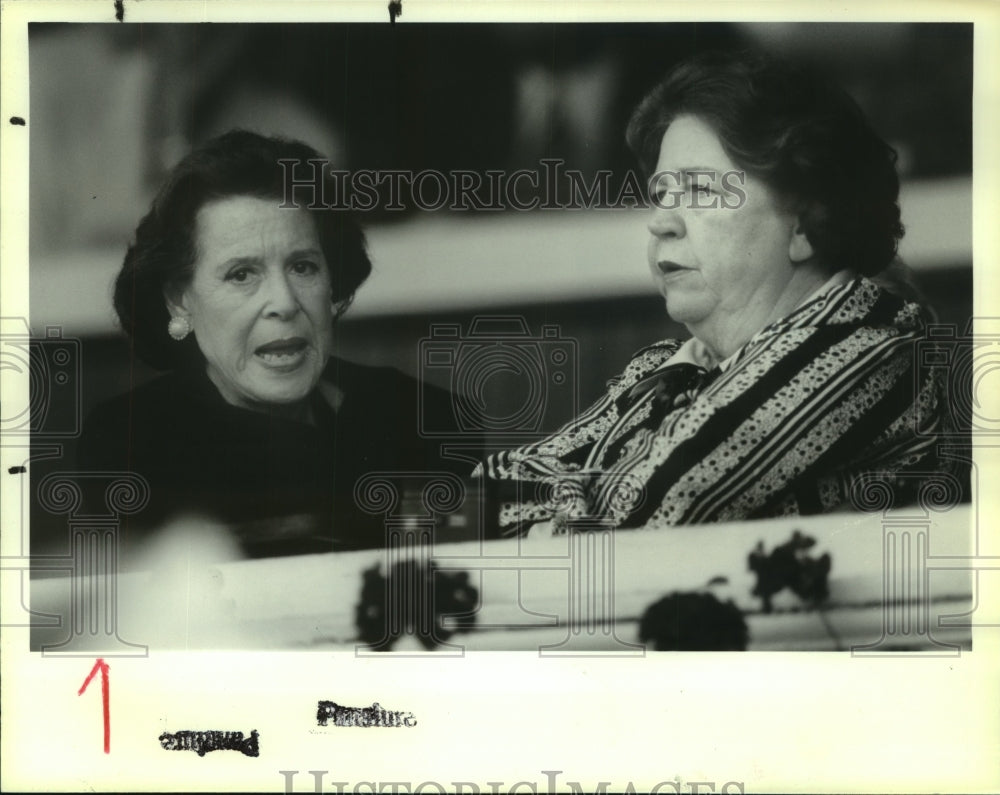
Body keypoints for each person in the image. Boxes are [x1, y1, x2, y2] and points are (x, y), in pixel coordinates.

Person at [478, 50, 958, 534]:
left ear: (804, 226)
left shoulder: (870, 350)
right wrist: (575, 505)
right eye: (662, 194)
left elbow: (644, 516)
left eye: (701, 192)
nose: (660, 221)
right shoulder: (666, 369)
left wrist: (558, 509)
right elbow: (476, 502)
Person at [79, 130, 467, 557]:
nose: (283, 303)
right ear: (179, 299)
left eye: (303, 267)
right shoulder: (128, 448)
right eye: (242, 274)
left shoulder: (424, 418)